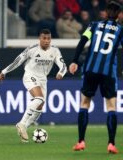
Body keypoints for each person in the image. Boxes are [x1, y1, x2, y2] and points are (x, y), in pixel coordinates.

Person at [69, 1, 123, 154]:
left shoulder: (93, 25)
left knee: (84, 104)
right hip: (107, 72)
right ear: (118, 15)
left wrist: (74, 61)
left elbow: (82, 41)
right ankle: (111, 144)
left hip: (90, 69)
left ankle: (81, 141)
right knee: (111, 106)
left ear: (105, 13)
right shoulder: (120, 30)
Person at [0, 29, 67, 142]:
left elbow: (63, 65)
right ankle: (22, 123)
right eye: (44, 38)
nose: (46, 41)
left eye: (48, 38)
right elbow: (17, 61)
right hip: (30, 75)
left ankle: (24, 129)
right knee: (39, 98)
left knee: (40, 107)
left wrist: (60, 73)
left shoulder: (55, 50)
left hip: (43, 79)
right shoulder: (32, 49)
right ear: (40, 38)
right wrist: (4, 71)